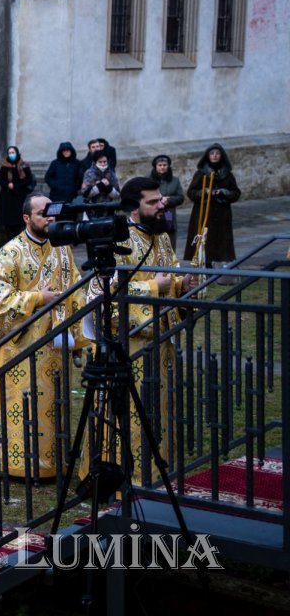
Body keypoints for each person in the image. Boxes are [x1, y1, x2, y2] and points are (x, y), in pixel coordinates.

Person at [89, 177, 192, 484]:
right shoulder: (116, 240)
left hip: (160, 347)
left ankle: (158, 472)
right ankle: (127, 479)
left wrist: (180, 285)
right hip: (128, 349)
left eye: (161, 199)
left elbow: (168, 274)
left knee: (158, 412)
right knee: (130, 416)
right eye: (153, 201)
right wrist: (152, 287)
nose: (162, 204)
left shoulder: (160, 237)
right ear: (134, 209)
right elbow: (100, 292)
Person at [0, 195, 84, 479]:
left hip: (56, 345)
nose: (50, 218)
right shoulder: (10, 252)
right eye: (43, 214)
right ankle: (15, 463)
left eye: (53, 213)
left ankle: (53, 464)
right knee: (21, 405)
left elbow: (76, 290)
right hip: (22, 348)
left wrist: (79, 338)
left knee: (54, 405)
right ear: (27, 218)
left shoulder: (63, 250)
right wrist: (38, 298)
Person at [183, 143, 241, 266]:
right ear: (207, 156)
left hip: (221, 213)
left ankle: (222, 269)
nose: (214, 156)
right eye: (212, 153)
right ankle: (205, 265)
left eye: (217, 153)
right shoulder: (201, 174)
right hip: (204, 213)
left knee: (221, 241)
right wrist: (204, 192)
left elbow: (236, 192)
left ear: (222, 156)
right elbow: (191, 192)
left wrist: (224, 193)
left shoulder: (227, 174)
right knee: (205, 240)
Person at [0, 146, 35, 236]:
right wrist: (7, 185)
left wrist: (16, 185)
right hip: (7, 196)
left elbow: (28, 179)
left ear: (17, 153)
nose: (11, 155)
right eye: (10, 153)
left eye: (13, 152)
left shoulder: (23, 165)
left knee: (19, 220)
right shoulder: (5, 165)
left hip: (20, 195)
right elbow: (0, 179)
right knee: (7, 221)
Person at [151, 154, 186, 245]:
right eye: (160, 165)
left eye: (164, 165)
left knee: (169, 242)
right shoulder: (148, 180)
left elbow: (180, 197)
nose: (162, 167)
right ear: (155, 166)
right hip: (153, 215)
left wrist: (169, 200)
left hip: (169, 215)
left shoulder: (175, 181)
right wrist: (157, 200)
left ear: (168, 166)